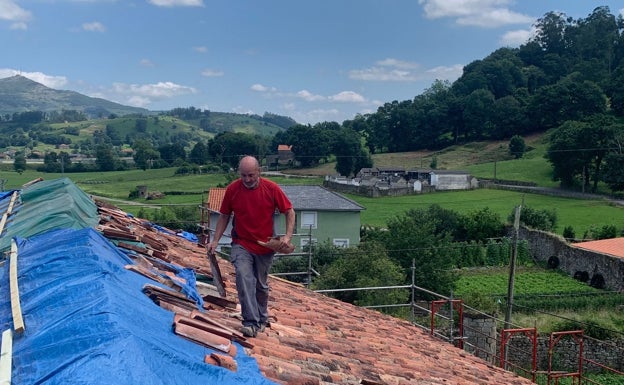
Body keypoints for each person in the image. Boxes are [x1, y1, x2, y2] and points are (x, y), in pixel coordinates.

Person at [207, 155, 295, 337]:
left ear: (259, 172)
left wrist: (287, 236)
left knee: (260, 286)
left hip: (265, 246)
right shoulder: (232, 190)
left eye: (251, 175)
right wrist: (215, 240)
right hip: (242, 243)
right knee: (243, 276)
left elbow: (289, 210)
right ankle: (250, 321)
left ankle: (262, 318)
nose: (247, 179)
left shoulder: (271, 189)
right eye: (243, 175)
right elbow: (224, 215)